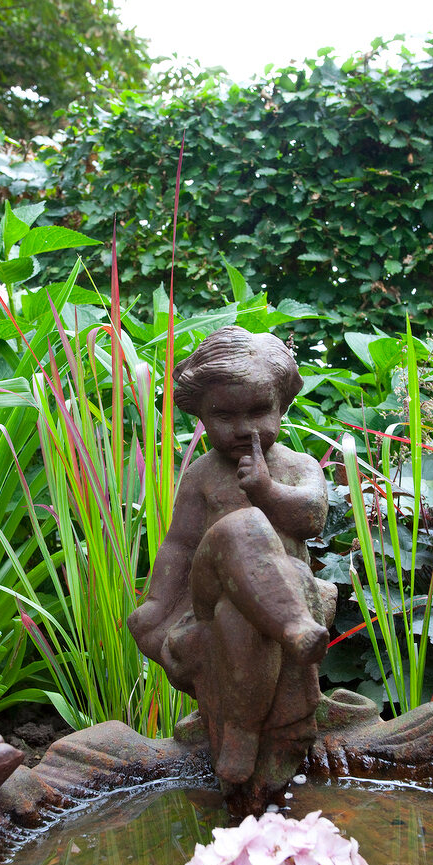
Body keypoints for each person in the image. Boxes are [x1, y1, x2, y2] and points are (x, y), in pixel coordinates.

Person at [128, 327, 336, 792]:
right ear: (202, 416)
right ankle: (296, 629)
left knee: (238, 622)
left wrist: (265, 490)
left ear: (282, 405)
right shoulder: (202, 474)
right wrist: (159, 603)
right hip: (213, 589)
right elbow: (180, 544)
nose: (244, 428)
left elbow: (312, 517)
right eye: (224, 415)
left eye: (259, 410)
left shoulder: (299, 465)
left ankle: (239, 734)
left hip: (271, 595)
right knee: (244, 527)